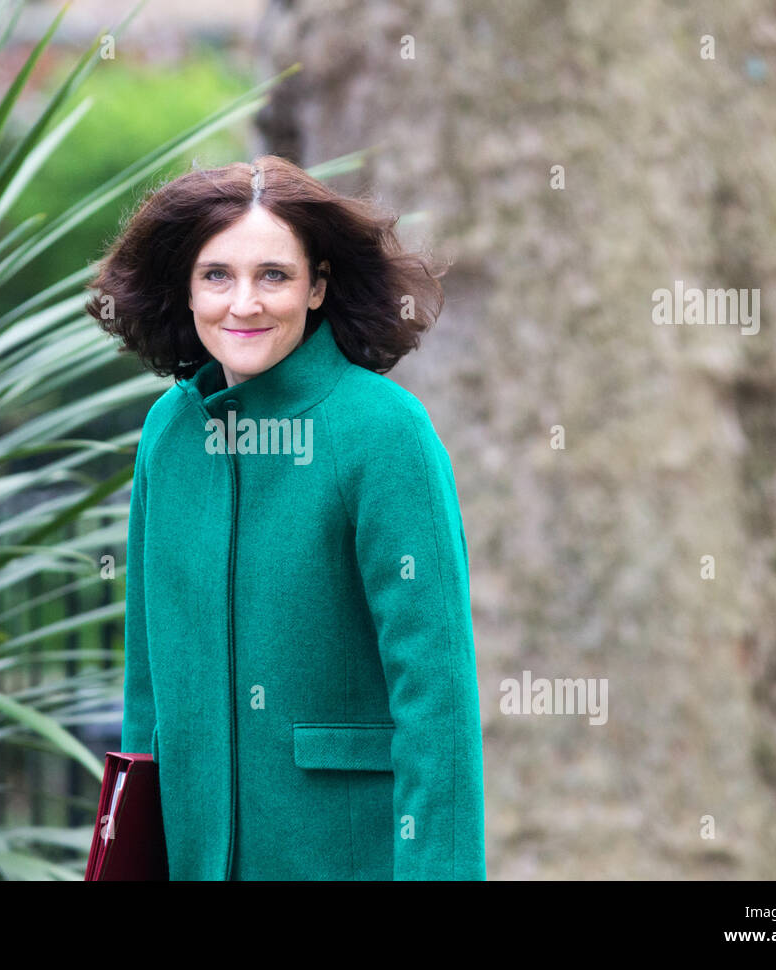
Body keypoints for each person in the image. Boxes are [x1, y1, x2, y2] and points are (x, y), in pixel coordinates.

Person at [85, 154, 485, 880]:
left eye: (273, 274)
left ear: (318, 286)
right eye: (217, 275)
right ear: (187, 287)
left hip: (342, 854)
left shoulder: (384, 432)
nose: (244, 303)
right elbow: (146, 689)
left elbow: (438, 703)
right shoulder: (166, 434)